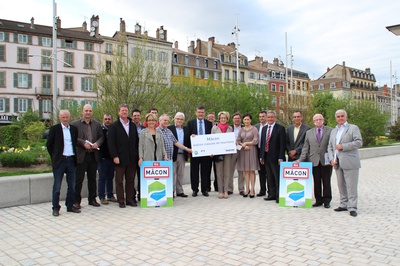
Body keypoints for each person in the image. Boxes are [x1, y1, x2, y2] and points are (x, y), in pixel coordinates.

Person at [328, 109, 362, 217]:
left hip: (350, 161)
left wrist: (343, 146)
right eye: (338, 116)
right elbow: (330, 146)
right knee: (341, 185)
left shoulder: (353, 128)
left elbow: (358, 142)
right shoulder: (334, 131)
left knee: (351, 186)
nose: (340, 118)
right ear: (336, 118)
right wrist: (331, 159)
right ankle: (343, 204)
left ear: (346, 117)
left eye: (342, 116)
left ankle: (352, 207)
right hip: (337, 163)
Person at [46, 110, 81, 216]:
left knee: (72, 186)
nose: (65, 119)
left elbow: (74, 143)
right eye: (63, 117)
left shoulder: (74, 129)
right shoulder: (55, 129)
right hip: (60, 161)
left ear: (69, 117)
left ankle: (70, 205)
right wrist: (55, 157)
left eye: (67, 117)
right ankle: (55, 208)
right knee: (57, 186)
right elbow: (49, 145)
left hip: (71, 160)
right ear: (59, 117)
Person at [72, 104, 104, 209]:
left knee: (92, 179)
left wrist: (97, 144)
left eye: (90, 111)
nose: (88, 113)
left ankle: (92, 199)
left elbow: (101, 137)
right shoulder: (75, 124)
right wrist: (82, 143)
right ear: (82, 111)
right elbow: (73, 138)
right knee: (79, 179)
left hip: (93, 155)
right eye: (86, 111)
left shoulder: (97, 124)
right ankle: (76, 201)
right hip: (81, 155)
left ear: (92, 112)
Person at [298, 114, 333, 208]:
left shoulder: (330, 131)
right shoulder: (309, 133)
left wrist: (333, 158)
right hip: (314, 160)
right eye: (316, 120)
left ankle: (327, 200)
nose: (318, 121)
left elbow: (332, 145)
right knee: (316, 182)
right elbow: (305, 148)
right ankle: (318, 200)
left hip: (326, 160)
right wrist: (300, 159)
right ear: (313, 121)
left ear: (323, 120)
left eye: (320, 119)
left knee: (326, 182)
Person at [108, 104, 139, 208]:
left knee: (130, 180)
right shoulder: (114, 126)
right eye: (122, 110)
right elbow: (111, 143)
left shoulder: (133, 125)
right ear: (119, 112)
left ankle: (130, 199)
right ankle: (121, 200)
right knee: (119, 181)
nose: (124, 112)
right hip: (119, 158)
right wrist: (114, 156)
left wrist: (137, 156)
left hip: (132, 158)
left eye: (126, 110)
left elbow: (136, 142)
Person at [259, 110, 286, 203]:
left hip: (276, 157)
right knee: (269, 177)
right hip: (266, 156)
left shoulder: (280, 128)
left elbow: (283, 144)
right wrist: (261, 156)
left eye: (272, 117)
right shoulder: (264, 128)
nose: (270, 119)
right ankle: (272, 194)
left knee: (277, 177)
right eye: (268, 117)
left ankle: (279, 195)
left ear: (275, 118)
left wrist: (281, 157)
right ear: (266, 118)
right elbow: (263, 143)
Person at [187, 106, 213, 197]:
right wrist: (191, 136)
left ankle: (204, 189)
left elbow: (211, 138)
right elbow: (187, 136)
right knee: (194, 171)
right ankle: (195, 189)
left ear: (204, 113)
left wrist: (211, 150)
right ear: (196, 113)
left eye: (202, 112)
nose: (200, 114)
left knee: (205, 171)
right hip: (195, 151)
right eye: (199, 112)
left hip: (206, 151)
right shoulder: (190, 123)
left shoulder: (209, 123)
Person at [236, 113, 260, 198]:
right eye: (245, 119)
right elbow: (238, 140)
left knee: (251, 171)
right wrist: (242, 144)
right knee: (246, 171)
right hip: (243, 151)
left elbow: (255, 140)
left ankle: (252, 190)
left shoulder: (254, 129)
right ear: (243, 120)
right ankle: (247, 189)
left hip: (251, 150)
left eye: (248, 119)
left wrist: (246, 143)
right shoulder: (241, 129)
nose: (246, 121)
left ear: (251, 120)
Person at [211, 111, 234, 199]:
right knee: (219, 172)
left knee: (227, 172)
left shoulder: (230, 129)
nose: (223, 119)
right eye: (221, 118)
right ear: (219, 119)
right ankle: (220, 191)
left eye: (225, 118)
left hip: (228, 153)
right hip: (218, 153)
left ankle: (226, 191)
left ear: (227, 119)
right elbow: (211, 141)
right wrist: (212, 151)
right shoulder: (214, 128)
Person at [168, 112, 191, 198]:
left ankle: (180, 191)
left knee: (181, 174)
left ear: (183, 120)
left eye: (181, 119)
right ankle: (171, 191)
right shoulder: (169, 128)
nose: (179, 120)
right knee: (172, 173)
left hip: (182, 154)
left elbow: (189, 141)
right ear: (174, 119)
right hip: (172, 155)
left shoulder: (186, 129)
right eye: (178, 119)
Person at [98, 114, 117, 205]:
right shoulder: (100, 130)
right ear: (103, 119)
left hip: (112, 158)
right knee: (102, 178)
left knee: (110, 177)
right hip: (103, 158)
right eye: (105, 119)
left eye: (109, 119)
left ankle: (110, 195)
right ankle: (102, 196)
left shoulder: (113, 129)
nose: (107, 120)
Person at [132, 108, 146, 201]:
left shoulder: (144, 129)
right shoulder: (129, 127)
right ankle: (132, 195)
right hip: (132, 156)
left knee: (142, 176)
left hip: (143, 156)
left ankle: (141, 195)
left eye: (138, 115)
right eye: (134, 116)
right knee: (131, 177)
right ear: (132, 117)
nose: (136, 117)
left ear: (140, 117)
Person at [230, 112, 244, 195]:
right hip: (231, 151)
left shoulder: (244, 128)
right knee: (230, 170)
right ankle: (229, 189)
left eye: (238, 118)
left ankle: (241, 189)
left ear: (240, 119)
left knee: (241, 171)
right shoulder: (229, 128)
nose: (237, 120)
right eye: (235, 118)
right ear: (232, 119)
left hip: (241, 150)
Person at [254, 111, 268, 197]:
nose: (261, 118)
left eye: (263, 116)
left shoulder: (269, 127)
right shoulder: (256, 127)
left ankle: (271, 190)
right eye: (260, 116)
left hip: (267, 151)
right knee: (261, 172)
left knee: (269, 172)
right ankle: (262, 190)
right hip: (258, 151)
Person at [207, 111, 218, 192]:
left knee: (217, 170)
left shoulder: (218, 127)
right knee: (207, 170)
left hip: (217, 152)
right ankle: (207, 187)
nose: (211, 118)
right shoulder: (205, 126)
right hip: (207, 152)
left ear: (215, 118)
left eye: (212, 117)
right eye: (209, 117)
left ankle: (217, 186)